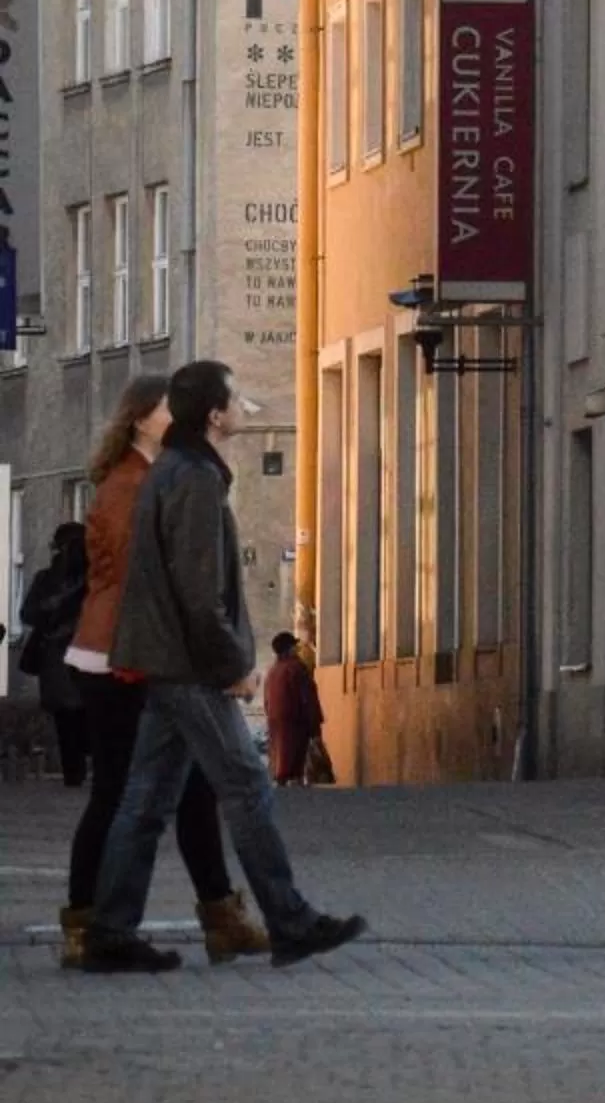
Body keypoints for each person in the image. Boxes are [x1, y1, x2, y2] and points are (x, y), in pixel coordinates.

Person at [82, 360, 366, 975]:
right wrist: (233, 665)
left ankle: (109, 930)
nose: (241, 408)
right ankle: (290, 921)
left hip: (166, 658)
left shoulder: (172, 469)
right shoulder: (196, 479)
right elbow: (199, 591)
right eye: (234, 399)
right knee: (246, 787)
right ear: (215, 414)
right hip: (191, 666)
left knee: (146, 800)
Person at [61, 380, 266, 968]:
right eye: (168, 409)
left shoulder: (152, 478)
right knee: (121, 793)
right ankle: (88, 924)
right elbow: (154, 580)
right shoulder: (132, 485)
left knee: (192, 786)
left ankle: (220, 917)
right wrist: (217, 661)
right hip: (122, 658)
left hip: (142, 653)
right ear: (141, 420)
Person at [20, 525, 90, 788]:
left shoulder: (94, 580)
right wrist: (49, 606)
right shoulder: (47, 580)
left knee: (84, 713)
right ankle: (74, 770)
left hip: (87, 653)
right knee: (65, 714)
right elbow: (27, 614)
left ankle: (81, 766)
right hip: (57, 656)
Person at [263, 631, 325, 787]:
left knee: (281, 759)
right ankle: (294, 786)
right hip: (295, 723)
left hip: (275, 723)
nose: (296, 650)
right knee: (295, 761)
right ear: (289, 649)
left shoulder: (272, 671)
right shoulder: (296, 668)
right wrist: (315, 727)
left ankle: (282, 782)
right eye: (294, 647)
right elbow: (308, 698)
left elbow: (266, 702)